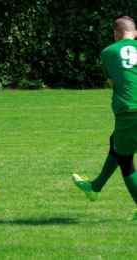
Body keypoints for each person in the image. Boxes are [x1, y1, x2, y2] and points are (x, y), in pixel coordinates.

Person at [72, 16, 137, 220]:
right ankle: (95, 187)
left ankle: (95, 187)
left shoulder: (108, 52)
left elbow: (113, 84)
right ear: (135, 34)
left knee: (125, 160)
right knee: (115, 143)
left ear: (115, 34)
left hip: (129, 111)